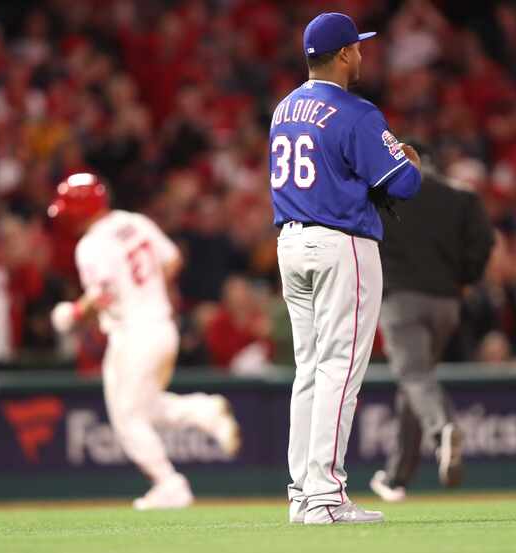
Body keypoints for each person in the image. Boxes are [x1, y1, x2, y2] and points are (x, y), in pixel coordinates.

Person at [270, 13, 421, 525]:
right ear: (341, 55)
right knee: (339, 369)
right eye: (356, 48)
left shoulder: (284, 108)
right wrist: (411, 161)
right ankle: (327, 497)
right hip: (342, 246)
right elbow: (402, 184)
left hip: (291, 243)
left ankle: (302, 493)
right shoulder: (356, 112)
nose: (361, 55)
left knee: (309, 370)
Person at [48, 173, 240, 510]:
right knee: (145, 407)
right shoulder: (133, 222)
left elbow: (102, 294)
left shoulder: (91, 245)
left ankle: (169, 484)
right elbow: (173, 260)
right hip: (162, 326)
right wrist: (145, 289)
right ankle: (205, 412)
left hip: (133, 335)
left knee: (127, 416)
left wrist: (74, 314)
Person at [369, 164, 494, 502]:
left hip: (401, 299)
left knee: (413, 375)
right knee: (416, 381)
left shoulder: (383, 188)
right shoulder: (459, 194)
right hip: (446, 303)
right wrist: (466, 278)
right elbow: (485, 239)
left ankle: (442, 432)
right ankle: (397, 477)